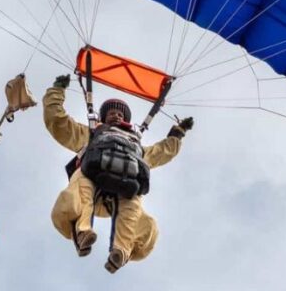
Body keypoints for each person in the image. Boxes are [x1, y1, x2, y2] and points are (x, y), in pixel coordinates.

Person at [43, 73, 194, 273]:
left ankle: (121, 251)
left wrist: (177, 133)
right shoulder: (90, 134)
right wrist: (57, 90)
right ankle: (82, 232)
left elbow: (161, 152)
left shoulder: (135, 145)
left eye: (121, 113)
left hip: (124, 185)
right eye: (112, 112)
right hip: (92, 181)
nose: (117, 115)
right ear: (103, 117)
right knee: (81, 184)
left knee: (133, 202)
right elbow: (58, 123)